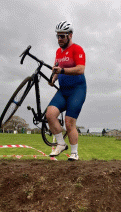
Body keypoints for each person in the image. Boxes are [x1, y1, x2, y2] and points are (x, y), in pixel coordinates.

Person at [46, 21, 87, 161]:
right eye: (57, 36)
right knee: (50, 114)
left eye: (62, 36)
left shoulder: (77, 49)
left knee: (69, 122)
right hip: (63, 90)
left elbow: (80, 69)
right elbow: (57, 69)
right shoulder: (58, 52)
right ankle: (61, 144)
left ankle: (74, 153)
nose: (59, 39)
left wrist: (62, 70)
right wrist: (53, 78)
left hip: (77, 90)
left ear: (70, 35)